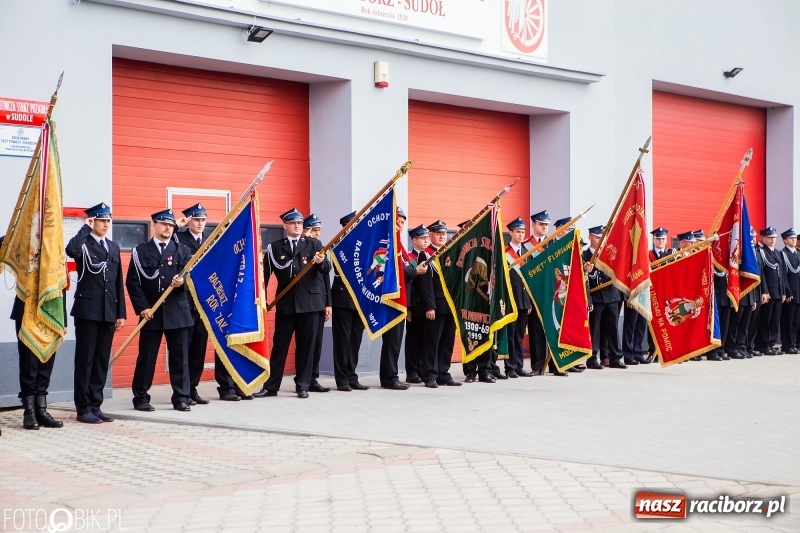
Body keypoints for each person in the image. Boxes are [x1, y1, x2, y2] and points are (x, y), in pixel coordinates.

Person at [254, 208, 330, 399]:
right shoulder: (275, 248)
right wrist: (262, 300)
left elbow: (326, 269)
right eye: (293, 223)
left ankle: (302, 385)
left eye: (299, 223)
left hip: (310, 304)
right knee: (280, 346)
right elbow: (264, 276)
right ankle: (271, 387)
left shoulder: (314, 245)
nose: (297, 226)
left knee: (306, 347)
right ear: (285, 225)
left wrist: (321, 262)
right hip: (286, 304)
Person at [126, 208, 195, 412]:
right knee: (146, 357)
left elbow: (192, 281)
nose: (167, 228)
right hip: (151, 312)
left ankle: (181, 397)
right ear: (154, 225)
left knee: (180, 357)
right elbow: (133, 282)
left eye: (171, 225)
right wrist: (142, 308)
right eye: (164, 224)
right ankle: (141, 397)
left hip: (178, 311)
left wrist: (182, 282)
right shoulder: (140, 251)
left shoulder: (183, 251)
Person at [65, 202, 126, 423]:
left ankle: (95, 405)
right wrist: (85, 228)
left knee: (101, 360)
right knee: (86, 360)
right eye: (102, 220)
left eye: (108, 221)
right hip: (88, 311)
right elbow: (70, 251)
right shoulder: (84, 243)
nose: (106, 224)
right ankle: (83, 408)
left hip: (108, 311)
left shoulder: (113, 246)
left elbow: (118, 281)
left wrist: (121, 312)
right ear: (93, 221)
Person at [380, 207, 425, 390]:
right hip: (393, 300)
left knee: (396, 341)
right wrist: (416, 271)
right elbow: (395, 270)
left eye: (403, 221)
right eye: (398, 220)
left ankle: (392, 376)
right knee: (391, 341)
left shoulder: (400, 246)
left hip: (402, 300)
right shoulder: (389, 243)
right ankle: (389, 378)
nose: (400, 224)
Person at [422, 220, 462, 388]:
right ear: (430, 235)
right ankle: (430, 374)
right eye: (438, 234)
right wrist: (430, 306)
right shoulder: (427, 255)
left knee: (447, 341)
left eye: (444, 234)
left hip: (450, 305)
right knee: (432, 342)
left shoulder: (449, 253)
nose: (442, 237)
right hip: (436, 306)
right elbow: (426, 285)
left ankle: (443, 373)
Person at [330, 211, 366, 391]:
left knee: (355, 340)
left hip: (359, 300)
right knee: (342, 341)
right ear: (345, 226)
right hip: (342, 298)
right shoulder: (338, 244)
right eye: (353, 223)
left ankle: (352, 376)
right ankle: (342, 379)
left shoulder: (364, 245)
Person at [584, 225, 626, 369]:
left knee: (613, 327)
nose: (599, 240)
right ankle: (592, 358)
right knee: (595, 329)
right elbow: (583, 279)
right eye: (596, 237)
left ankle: (615, 358)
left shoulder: (609, 253)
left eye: (602, 237)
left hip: (611, 294)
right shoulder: (584, 256)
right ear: (590, 237)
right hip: (596, 295)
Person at [528, 211, 564, 375]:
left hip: (551, 294)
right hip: (535, 294)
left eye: (546, 225)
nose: (544, 227)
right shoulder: (526, 246)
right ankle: (537, 366)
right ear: (534, 224)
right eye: (541, 224)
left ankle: (556, 365)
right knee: (537, 331)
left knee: (554, 329)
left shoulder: (552, 245)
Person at [303, 214, 334, 393]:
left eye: (318, 231)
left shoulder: (319, 248)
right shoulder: (304, 247)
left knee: (317, 343)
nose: (316, 234)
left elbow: (325, 279)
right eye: (314, 230)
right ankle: (305, 378)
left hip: (320, 301)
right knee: (307, 343)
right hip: (305, 302)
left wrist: (328, 304)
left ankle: (313, 378)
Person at [504, 216, 534, 379]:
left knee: (520, 335)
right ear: (511, 233)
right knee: (510, 334)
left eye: (523, 232)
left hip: (523, 300)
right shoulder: (505, 252)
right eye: (518, 232)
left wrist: (528, 301)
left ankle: (519, 365)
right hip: (511, 299)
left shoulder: (527, 253)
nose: (521, 235)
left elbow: (529, 279)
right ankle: (510, 367)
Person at [405, 224, 434, 384]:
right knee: (413, 339)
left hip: (426, 305)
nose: (425, 241)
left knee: (425, 339)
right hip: (414, 305)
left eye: (427, 238)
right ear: (414, 240)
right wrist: (408, 308)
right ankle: (412, 371)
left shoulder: (429, 257)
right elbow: (409, 284)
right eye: (422, 238)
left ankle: (422, 368)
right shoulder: (409, 258)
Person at [755, 227, 786, 355]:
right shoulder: (761, 252)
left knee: (774, 320)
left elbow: (782, 274)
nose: (772, 240)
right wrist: (765, 291)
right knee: (766, 319)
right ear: (763, 238)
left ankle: (771, 343)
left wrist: (784, 291)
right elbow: (763, 275)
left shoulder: (778, 253)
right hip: (769, 291)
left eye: (774, 237)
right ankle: (764, 344)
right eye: (769, 237)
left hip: (778, 291)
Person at [780, 228, 800, 354]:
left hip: (799, 292)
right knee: (788, 320)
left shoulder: (797, 253)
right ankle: (787, 345)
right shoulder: (783, 254)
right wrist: (788, 291)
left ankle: (794, 343)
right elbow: (783, 275)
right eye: (791, 238)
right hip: (791, 293)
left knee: (797, 320)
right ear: (785, 240)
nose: (794, 240)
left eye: (794, 238)